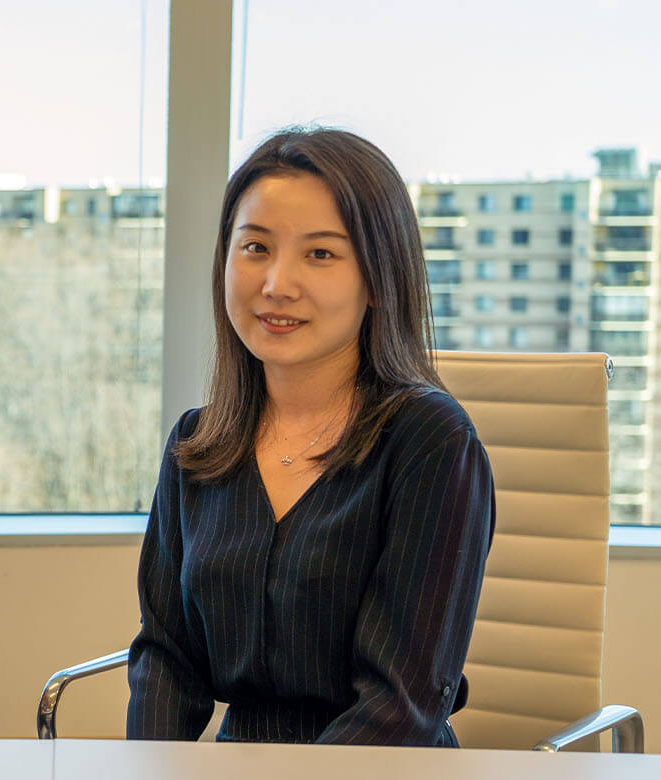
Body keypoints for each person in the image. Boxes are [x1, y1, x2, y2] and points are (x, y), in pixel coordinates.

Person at [126, 128, 494, 745]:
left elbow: (401, 706)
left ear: (377, 279)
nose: (276, 284)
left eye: (320, 254)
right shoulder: (199, 442)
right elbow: (167, 660)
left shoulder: (430, 441)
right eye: (255, 248)